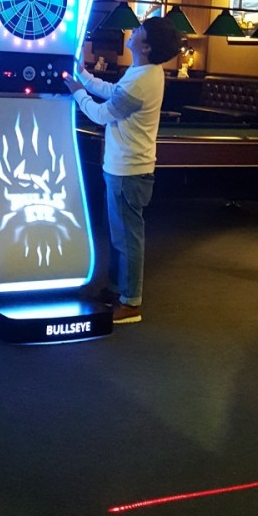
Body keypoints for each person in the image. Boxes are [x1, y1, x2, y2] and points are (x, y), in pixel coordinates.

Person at [63, 16, 182, 324]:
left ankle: (131, 303)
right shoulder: (144, 71)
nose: (133, 31)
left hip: (129, 170)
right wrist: (84, 76)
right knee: (119, 235)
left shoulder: (142, 79)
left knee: (127, 239)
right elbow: (114, 92)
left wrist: (78, 91)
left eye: (140, 30)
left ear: (147, 46)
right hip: (124, 167)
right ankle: (117, 290)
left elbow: (103, 114)